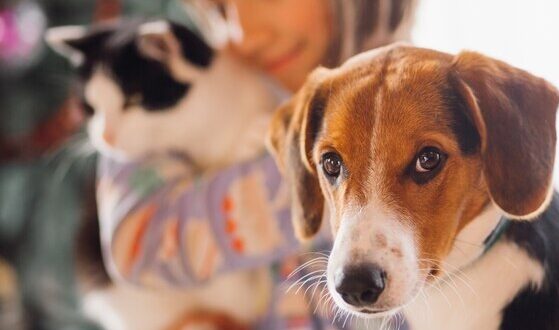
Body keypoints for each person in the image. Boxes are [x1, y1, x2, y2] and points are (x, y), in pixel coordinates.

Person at [96, 0, 417, 328]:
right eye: (221, 8)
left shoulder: (437, 113)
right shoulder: (169, 83)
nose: (245, 35)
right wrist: (330, 185)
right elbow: (137, 246)